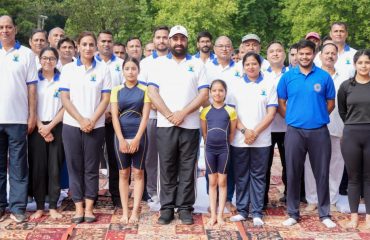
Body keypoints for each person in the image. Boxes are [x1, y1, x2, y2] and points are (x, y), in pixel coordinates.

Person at [148, 25, 208, 225]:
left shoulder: (197, 64)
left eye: (182, 39)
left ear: (187, 41)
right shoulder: (158, 64)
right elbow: (152, 92)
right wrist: (168, 114)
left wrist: (183, 113)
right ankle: (166, 208)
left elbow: (203, 94)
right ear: (170, 41)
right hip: (165, 124)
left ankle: (184, 208)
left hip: (189, 125)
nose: (179, 43)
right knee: (166, 167)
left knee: (187, 167)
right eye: (175, 39)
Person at [277, 40, 336, 228]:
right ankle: (293, 213)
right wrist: (294, 118)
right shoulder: (287, 77)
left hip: (319, 131)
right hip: (294, 131)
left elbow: (331, 103)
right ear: (296, 54)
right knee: (293, 172)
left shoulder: (324, 77)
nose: (304, 57)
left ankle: (324, 213)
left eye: (308, 53)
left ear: (314, 54)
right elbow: (281, 102)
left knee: (322, 172)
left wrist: (316, 116)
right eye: (300, 53)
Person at [59, 31, 111, 224]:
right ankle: (78, 207)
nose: (88, 48)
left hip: (95, 127)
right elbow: (65, 98)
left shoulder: (103, 69)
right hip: (72, 125)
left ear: (95, 47)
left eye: (91, 45)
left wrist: (91, 120)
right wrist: (81, 119)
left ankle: (89, 208)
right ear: (78, 46)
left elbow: (105, 98)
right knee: (74, 167)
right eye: (84, 44)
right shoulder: (68, 69)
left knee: (91, 168)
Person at [228, 52, 277, 227]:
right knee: (241, 175)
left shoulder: (269, 84)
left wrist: (254, 132)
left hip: (261, 139)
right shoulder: (235, 85)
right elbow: (232, 113)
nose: (251, 67)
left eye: (254, 64)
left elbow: (271, 113)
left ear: (260, 65)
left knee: (258, 175)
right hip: (240, 139)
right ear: (243, 67)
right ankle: (242, 210)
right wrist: (244, 130)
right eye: (247, 64)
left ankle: (256, 211)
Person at [0, 15, 38, 223]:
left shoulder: (26, 55)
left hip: (18, 119)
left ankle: (18, 207)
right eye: (1, 27)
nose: (4, 30)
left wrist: (32, 114)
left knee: (18, 165)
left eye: (8, 27)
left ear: (15, 29)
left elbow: (32, 86)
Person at [304, 43, 349, 212]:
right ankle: (312, 199)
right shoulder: (312, 75)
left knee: (336, 164)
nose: (330, 56)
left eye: (333, 53)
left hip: (337, 126)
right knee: (311, 164)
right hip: (313, 127)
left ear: (337, 56)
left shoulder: (344, 77)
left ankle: (331, 199)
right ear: (320, 55)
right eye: (326, 53)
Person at [111, 57, 150, 223]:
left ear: (138, 70)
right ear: (123, 71)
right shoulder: (116, 90)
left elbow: (145, 117)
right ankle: (125, 212)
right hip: (121, 135)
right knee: (123, 172)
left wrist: (137, 139)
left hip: (138, 135)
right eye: (127, 68)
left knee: (138, 173)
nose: (130, 72)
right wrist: (121, 139)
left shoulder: (145, 89)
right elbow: (114, 116)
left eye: (133, 68)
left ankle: (135, 211)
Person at [28, 47, 64, 220]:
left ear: (56, 60)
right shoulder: (33, 79)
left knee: (54, 168)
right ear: (39, 59)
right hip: (37, 127)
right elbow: (29, 104)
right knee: (38, 168)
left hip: (57, 125)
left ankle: (53, 206)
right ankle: (40, 206)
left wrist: (50, 127)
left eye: (51, 58)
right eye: (44, 58)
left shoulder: (63, 79)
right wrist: (41, 126)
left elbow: (67, 105)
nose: (48, 61)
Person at [205, 36, 239, 213]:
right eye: (220, 46)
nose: (224, 49)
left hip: (230, 118)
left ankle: (227, 199)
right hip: (210, 118)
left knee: (228, 165)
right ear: (214, 48)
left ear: (232, 48)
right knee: (210, 164)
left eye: (228, 46)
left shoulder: (239, 68)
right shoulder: (207, 66)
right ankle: (212, 201)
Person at [338, 49, 370, 229]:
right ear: (355, 64)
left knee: (369, 177)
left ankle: (369, 218)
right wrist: (351, 124)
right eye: (361, 63)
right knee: (354, 177)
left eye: (367, 62)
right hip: (351, 134)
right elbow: (343, 110)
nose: (364, 66)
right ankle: (354, 216)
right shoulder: (346, 86)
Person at [139, 25, 170, 203]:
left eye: (164, 37)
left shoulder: (175, 61)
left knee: (169, 156)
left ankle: (168, 189)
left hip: (172, 118)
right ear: (153, 39)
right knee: (151, 156)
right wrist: (155, 107)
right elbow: (144, 91)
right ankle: (152, 191)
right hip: (152, 116)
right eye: (158, 37)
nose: (161, 40)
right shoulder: (146, 63)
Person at [200, 79, 237, 226]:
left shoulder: (231, 111)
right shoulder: (205, 111)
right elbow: (204, 132)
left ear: (225, 93)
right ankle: (213, 215)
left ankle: (221, 214)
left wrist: (225, 142)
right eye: (214, 90)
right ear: (210, 93)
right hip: (210, 149)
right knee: (213, 182)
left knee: (222, 181)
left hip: (224, 150)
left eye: (221, 90)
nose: (217, 93)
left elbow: (232, 133)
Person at [95, 30, 124, 207]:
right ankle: (90, 194)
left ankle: (117, 195)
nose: (106, 44)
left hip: (116, 118)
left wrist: (114, 112)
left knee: (115, 158)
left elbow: (125, 90)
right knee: (92, 159)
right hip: (94, 118)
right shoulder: (90, 62)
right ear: (98, 43)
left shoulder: (121, 64)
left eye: (109, 41)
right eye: (103, 41)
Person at [264, 41, 289, 207]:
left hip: (288, 126)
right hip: (267, 127)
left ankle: (290, 194)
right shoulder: (261, 74)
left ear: (284, 54)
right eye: (272, 51)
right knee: (264, 164)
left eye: (279, 51)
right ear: (267, 56)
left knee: (289, 163)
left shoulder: (292, 74)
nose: (275, 54)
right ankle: (262, 196)